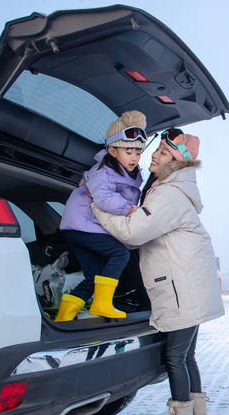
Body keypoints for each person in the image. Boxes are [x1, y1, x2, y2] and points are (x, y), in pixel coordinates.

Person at [92, 128, 224, 415]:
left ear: (177, 162)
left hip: (182, 289)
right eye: (157, 150)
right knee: (186, 357)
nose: (154, 155)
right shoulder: (175, 190)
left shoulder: (168, 195)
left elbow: (134, 233)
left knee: (174, 358)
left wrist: (96, 207)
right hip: (189, 287)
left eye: (163, 152)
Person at [55, 111, 145, 322]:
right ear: (112, 151)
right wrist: (129, 209)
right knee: (120, 254)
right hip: (84, 227)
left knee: (93, 277)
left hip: (79, 229)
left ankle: (63, 319)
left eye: (138, 152)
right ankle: (102, 304)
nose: (134, 157)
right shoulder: (103, 171)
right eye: (128, 152)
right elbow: (104, 198)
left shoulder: (123, 172)